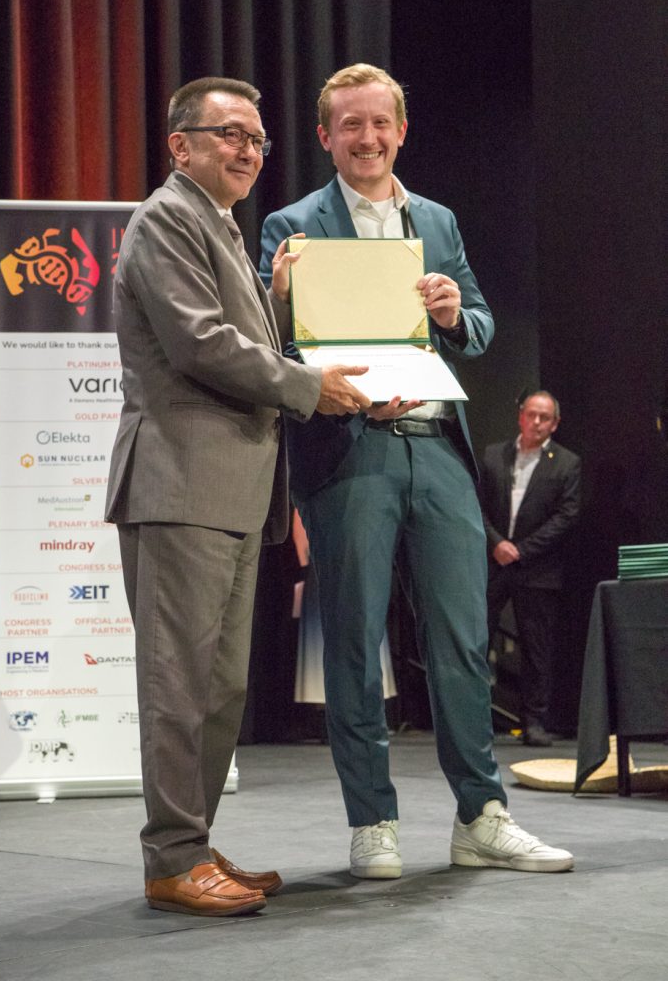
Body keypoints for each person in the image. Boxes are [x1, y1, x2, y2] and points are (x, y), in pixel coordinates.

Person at [260, 63, 574, 877]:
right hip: (350, 447)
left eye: (380, 123)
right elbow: (270, 346)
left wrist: (452, 312)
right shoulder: (291, 225)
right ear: (325, 136)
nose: (366, 138)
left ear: (400, 131)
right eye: (350, 125)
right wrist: (280, 296)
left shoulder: (435, 219)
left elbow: (479, 322)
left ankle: (481, 815)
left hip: (435, 446)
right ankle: (372, 821)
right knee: (354, 642)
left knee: (462, 639)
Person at [105, 76, 371, 917]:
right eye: (229, 134)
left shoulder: (217, 223)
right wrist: (308, 386)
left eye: (256, 138)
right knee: (178, 685)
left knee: (218, 691)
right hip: (180, 482)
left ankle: (193, 845)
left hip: (229, 489)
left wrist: (283, 308)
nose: (247, 151)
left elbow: (237, 337)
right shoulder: (166, 218)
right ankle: (171, 858)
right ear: (180, 145)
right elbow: (200, 343)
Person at [481, 391, 581, 746]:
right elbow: (476, 504)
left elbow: (566, 516)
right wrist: (497, 543)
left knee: (537, 649)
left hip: (537, 567)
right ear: (520, 416)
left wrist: (521, 550)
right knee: (477, 640)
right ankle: (473, 719)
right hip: (493, 561)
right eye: (531, 414)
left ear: (555, 424)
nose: (536, 422)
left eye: (544, 417)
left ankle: (534, 721)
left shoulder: (566, 463)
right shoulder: (493, 455)